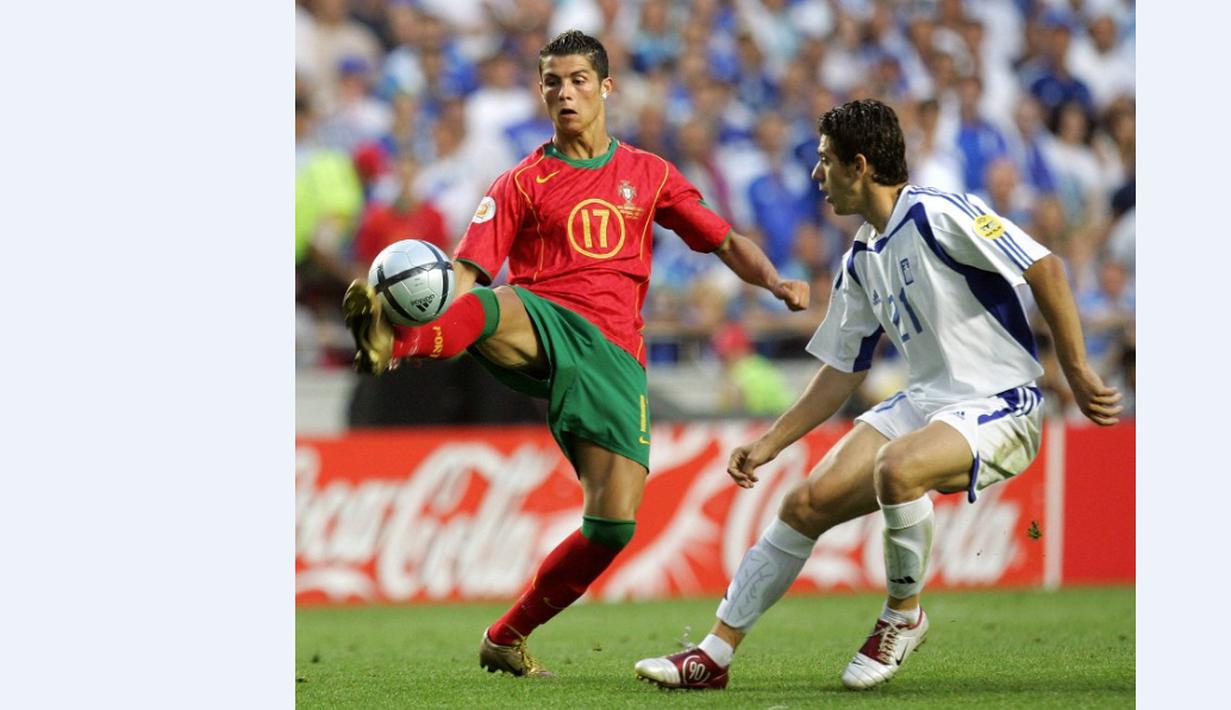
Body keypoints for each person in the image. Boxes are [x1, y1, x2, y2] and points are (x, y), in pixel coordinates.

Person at [341, 30, 809, 678]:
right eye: (552, 82)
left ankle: (505, 637)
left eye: (577, 80)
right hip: (542, 320)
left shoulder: (649, 174)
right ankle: (393, 344)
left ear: (605, 87)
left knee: (612, 526)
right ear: (540, 92)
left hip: (614, 356)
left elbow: (723, 240)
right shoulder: (519, 182)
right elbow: (470, 277)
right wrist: (415, 321)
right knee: (502, 303)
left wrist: (776, 283)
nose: (564, 93)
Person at [633, 99, 1121, 691]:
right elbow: (842, 370)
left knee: (898, 467)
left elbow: (1045, 267)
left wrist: (1075, 369)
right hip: (927, 402)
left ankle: (902, 616)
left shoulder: (939, 213)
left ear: (859, 165)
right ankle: (712, 656)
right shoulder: (861, 256)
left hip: (1001, 400)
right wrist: (770, 442)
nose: (817, 175)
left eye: (824, 161)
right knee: (805, 504)